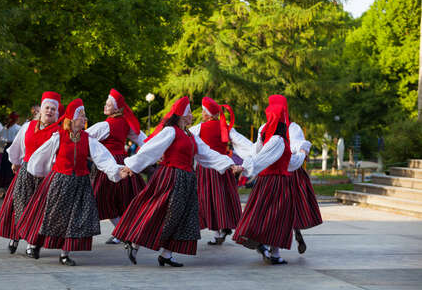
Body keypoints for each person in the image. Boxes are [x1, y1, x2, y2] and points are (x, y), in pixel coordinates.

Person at [112, 96, 241, 267]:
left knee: (182, 217)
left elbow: (207, 154)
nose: (192, 116)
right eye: (189, 113)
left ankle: (166, 254)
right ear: (181, 115)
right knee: (159, 211)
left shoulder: (190, 135)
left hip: (186, 180)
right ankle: (134, 242)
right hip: (170, 177)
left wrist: (229, 164)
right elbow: (151, 149)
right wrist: (132, 165)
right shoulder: (171, 131)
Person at [17, 98, 131, 266]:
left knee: (75, 218)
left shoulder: (88, 139)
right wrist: (38, 172)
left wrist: (116, 170)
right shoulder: (59, 137)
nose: (84, 119)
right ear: (71, 118)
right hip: (59, 182)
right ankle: (34, 244)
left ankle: (65, 253)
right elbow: (42, 155)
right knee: (50, 215)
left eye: (84, 116)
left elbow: (102, 158)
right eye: (81, 116)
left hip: (80, 184)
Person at [233, 101, 307, 265]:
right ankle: (267, 247)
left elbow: (255, 153)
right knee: (277, 217)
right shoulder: (278, 140)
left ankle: (271, 250)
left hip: (266, 182)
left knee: (267, 215)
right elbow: (264, 159)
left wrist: (301, 154)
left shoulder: (266, 135)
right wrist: (243, 168)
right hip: (277, 182)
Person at [0, 92, 62, 256]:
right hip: (25, 172)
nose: (49, 111)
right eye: (47, 107)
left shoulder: (59, 132)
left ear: (57, 112)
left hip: (46, 176)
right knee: (20, 205)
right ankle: (16, 236)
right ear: (41, 109)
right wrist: (16, 162)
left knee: (40, 210)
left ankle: (32, 243)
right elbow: (17, 146)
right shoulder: (28, 126)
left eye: (53, 109)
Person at [86, 89, 147, 244]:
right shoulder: (126, 123)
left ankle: (120, 232)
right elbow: (143, 140)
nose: (105, 106)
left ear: (117, 108)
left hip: (108, 164)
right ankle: (123, 231)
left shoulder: (105, 126)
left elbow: (83, 138)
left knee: (102, 198)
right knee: (119, 198)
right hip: (122, 162)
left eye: (108, 104)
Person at [189, 97, 251, 245]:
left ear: (209, 114)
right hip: (224, 167)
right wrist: (256, 152)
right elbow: (243, 143)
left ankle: (218, 233)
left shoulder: (198, 128)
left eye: (204, 110)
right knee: (224, 198)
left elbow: (186, 140)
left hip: (207, 168)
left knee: (207, 199)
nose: (202, 113)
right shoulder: (227, 127)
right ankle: (225, 227)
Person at [267, 95, 320, 254]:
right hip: (274, 172)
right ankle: (293, 235)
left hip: (291, 172)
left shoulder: (292, 128)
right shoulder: (267, 127)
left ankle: (290, 236)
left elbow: (298, 146)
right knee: (281, 208)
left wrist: (298, 154)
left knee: (288, 207)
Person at [0, 112, 21, 195]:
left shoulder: (6, 128)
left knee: (7, 168)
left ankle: (7, 188)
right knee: (8, 169)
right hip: (12, 147)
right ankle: (8, 188)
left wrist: (2, 145)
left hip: (8, 147)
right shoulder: (17, 128)